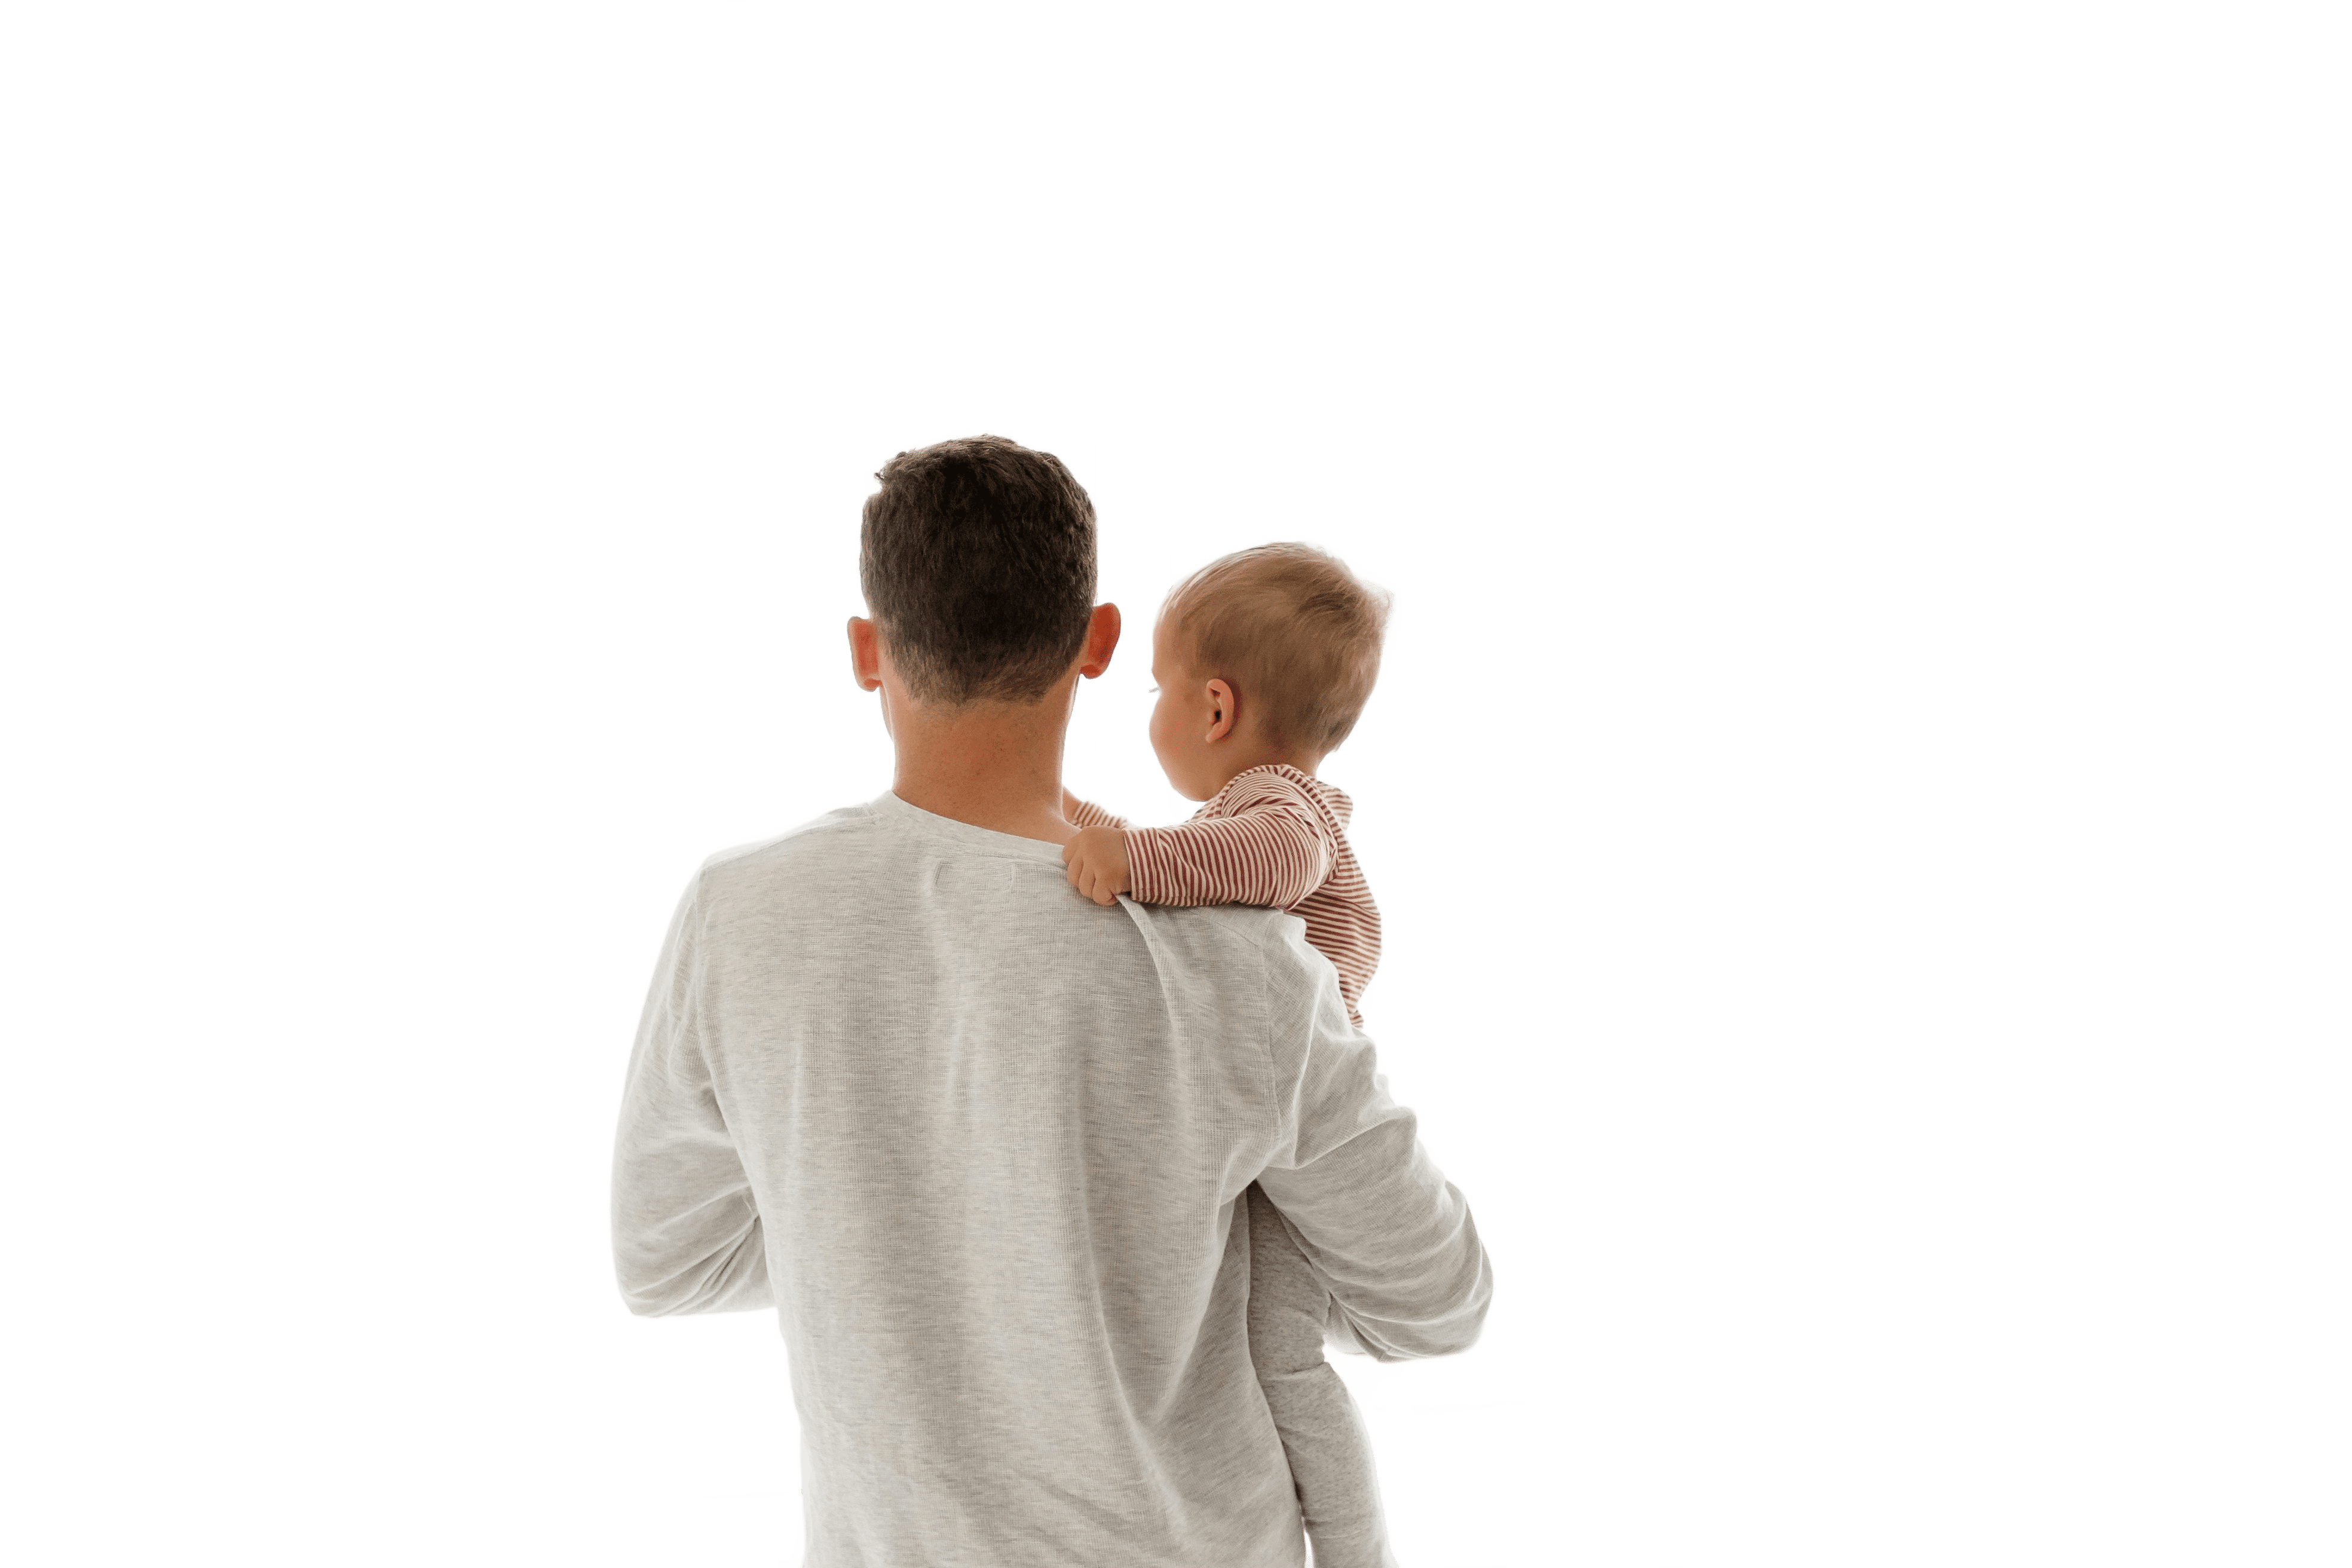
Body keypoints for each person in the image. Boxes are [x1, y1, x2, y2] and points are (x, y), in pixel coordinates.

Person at [607, 430, 1494, 1567]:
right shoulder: (1245, 956)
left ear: (867, 652)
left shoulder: (736, 909)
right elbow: (1440, 1301)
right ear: (1100, 641)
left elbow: (667, 1264)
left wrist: (898, 1233)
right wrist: (1134, 1252)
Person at [1059, 537, 1408, 1567]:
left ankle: (1359, 1553)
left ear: (1214, 709)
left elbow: (1257, 863)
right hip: (1263, 1132)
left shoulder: (1285, 814)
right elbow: (1190, 857)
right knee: (1240, 1344)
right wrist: (1062, 810)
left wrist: (1130, 857)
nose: (1150, 711)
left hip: (1298, 1138)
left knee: (1284, 1359)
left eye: (1154, 691)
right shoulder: (1240, 816)